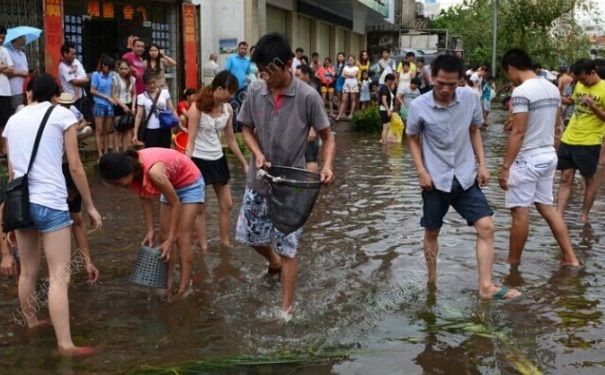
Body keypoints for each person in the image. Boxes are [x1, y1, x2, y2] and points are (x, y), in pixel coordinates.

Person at [235, 33, 335, 318]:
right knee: (251, 236)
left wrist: (326, 166)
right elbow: (246, 128)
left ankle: (286, 310)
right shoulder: (255, 91)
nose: (266, 77)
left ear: (289, 64)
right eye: (262, 71)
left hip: (292, 184)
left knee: (289, 246)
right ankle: (273, 261)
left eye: (271, 71)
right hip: (259, 179)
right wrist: (257, 154)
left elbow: (328, 137)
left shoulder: (308, 96)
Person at [2, 73, 103, 356]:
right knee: (59, 276)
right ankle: (65, 345)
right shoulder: (62, 115)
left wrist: (9, 215)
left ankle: (32, 323)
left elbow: (11, 173)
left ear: (30, 92)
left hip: (21, 203)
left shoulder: (12, 120)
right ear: (55, 94)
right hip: (51, 201)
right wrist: (90, 205)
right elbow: (74, 166)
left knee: (28, 273)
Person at [405, 54, 521, 301]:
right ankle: (432, 281)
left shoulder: (471, 98)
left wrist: (483, 165)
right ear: (431, 78)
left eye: (452, 84)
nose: (446, 89)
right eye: (440, 83)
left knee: (487, 227)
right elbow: (413, 138)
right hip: (435, 180)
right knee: (432, 231)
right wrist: (421, 171)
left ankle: (486, 286)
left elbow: (474, 130)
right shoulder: (419, 106)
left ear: (461, 80)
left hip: (466, 176)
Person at [498, 48, 580, 268]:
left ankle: (512, 265)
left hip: (528, 159)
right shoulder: (552, 89)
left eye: (507, 73)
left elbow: (519, 132)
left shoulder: (522, 92)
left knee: (519, 212)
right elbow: (555, 125)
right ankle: (570, 258)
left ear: (511, 67)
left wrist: (505, 167)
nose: (509, 78)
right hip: (548, 156)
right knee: (547, 207)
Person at [99, 148, 203, 298]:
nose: (117, 186)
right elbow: (144, 197)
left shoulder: (154, 173)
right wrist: (150, 229)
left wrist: (171, 239)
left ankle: (183, 288)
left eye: (117, 182)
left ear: (125, 172)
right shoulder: (134, 170)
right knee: (162, 237)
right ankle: (166, 285)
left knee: (181, 237)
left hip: (189, 183)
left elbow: (176, 204)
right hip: (170, 184)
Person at [185, 71, 248, 251]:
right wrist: (185, 165)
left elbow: (231, 140)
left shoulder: (228, 109)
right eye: (230, 91)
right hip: (198, 159)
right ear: (219, 88)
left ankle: (225, 243)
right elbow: (190, 140)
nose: (232, 95)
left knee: (227, 204)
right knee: (200, 206)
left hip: (218, 158)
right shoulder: (197, 108)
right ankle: (203, 245)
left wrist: (244, 163)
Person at [556, 58, 605, 223]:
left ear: (593, 72)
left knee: (588, 180)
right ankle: (559, 215)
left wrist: (594, 107)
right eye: (579, 80)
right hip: (569, 138)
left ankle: (584, 215)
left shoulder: (604, 88)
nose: (582, 82)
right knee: (565, 177)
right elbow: (573, 101)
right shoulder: (579, 85)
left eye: (584, 79)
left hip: (589, 141)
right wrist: (558, 97)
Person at [132, 71, 179, 149]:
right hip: (151, 129)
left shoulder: (164, 93)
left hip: (165, 127)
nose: (152, 85)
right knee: (152, 152)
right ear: (145, 84)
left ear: (157, 81)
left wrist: (179, 125)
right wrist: (135, 134)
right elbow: (139, 116)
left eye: (154, 82)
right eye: (149, 83)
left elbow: (172, 109)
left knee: (165, 151)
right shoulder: (141, 97)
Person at [295, 64, 322, 173]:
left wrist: (313, 129)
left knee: (310, 159)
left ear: (306, 75)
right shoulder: (299, 88)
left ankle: (311, 184)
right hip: (300, 130)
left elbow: (317, 112)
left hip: (310, 129)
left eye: (298, 75)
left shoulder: (312, 90)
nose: (295, 78)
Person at [90, 56, 116, 160]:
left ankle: (106, 152)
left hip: (109, 106)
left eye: (111, 68)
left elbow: (113, 91)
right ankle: (100, 153)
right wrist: (106, 97)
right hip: (99, 104)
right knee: (99, 130)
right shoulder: (96, 75)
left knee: (107, 130)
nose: (109, 70)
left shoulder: (112, 76)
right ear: (103, 66)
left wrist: (113, 99)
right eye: (108, 67)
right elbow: (92, 90)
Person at [58, 42, 89, 117]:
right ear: (65, 53)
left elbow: (85, 78)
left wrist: (84, 80)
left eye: (75, 54)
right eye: (72, 54)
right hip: (71, 100)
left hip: (82, 97)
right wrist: (84, 81)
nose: (74, 56)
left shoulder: (76, 62)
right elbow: (74, 82)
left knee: (84, 121)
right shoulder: (62, 66)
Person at [112, 60, 137, 152]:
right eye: (121, 68)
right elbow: (113, 95)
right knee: (117, 129)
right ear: (118, 69)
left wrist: (133, 107)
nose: (123, 70)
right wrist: (123, 106)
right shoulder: (115, 78)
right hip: (118, 104)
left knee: (127, 129)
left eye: (125, 68)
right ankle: (116, 151)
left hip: (129, 104)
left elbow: (134, 94)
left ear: (129, 69)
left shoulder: (132, 79)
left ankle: (125, 150)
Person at [0, 26, 14, 158]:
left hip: (5, 91)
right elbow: (8, 68)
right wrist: (4, 66)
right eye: (0, 37)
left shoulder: (4, 50)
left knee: (5, 121)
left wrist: (1, 67)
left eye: (3, 38)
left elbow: (12, 70)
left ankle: (4, 149)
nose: (2, 40)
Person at [5, 35, 28, 110]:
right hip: (15, 89)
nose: (25, 39)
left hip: (25, 88)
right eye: (23, 37)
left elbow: (24, 69)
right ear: (17, 39)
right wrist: (21, 73)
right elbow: (6, 71)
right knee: (17, 111)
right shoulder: (8, 53)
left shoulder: (22, 54)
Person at [336, 55, 359, 121]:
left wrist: (347, 74)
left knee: (352, 99)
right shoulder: (345, 67)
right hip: (346, 84)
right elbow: (342, 75)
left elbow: (354, 75)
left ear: (354, 60)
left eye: (351, 59)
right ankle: (339, 115)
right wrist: (350, 75)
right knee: (343, 100)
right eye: (349, 59)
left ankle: (351, 114)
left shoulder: (356, 67)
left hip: (353, 84)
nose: (350, 61)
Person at [379, 73, 396, 144]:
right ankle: (384, 144)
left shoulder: (387, 87)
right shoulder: (384, 88)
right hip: (384, 110)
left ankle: (384, 143)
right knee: (385, 128)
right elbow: (384, 100)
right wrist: (388, 110)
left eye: (393, 81)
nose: (392, 82)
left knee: (387, 127)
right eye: (391, 80)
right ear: (388, 80)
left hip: (386, 110)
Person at [333, 52, 346, 117]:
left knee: (344, 99)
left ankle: (343, 112)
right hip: (338, 81)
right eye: (339, 56)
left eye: (341, 56)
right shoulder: (335, 65)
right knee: (339, 98)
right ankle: (339, 111)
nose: (340, 58)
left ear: (344, 57)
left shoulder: (346, 64)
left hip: (345, 81)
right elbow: (335, 73)